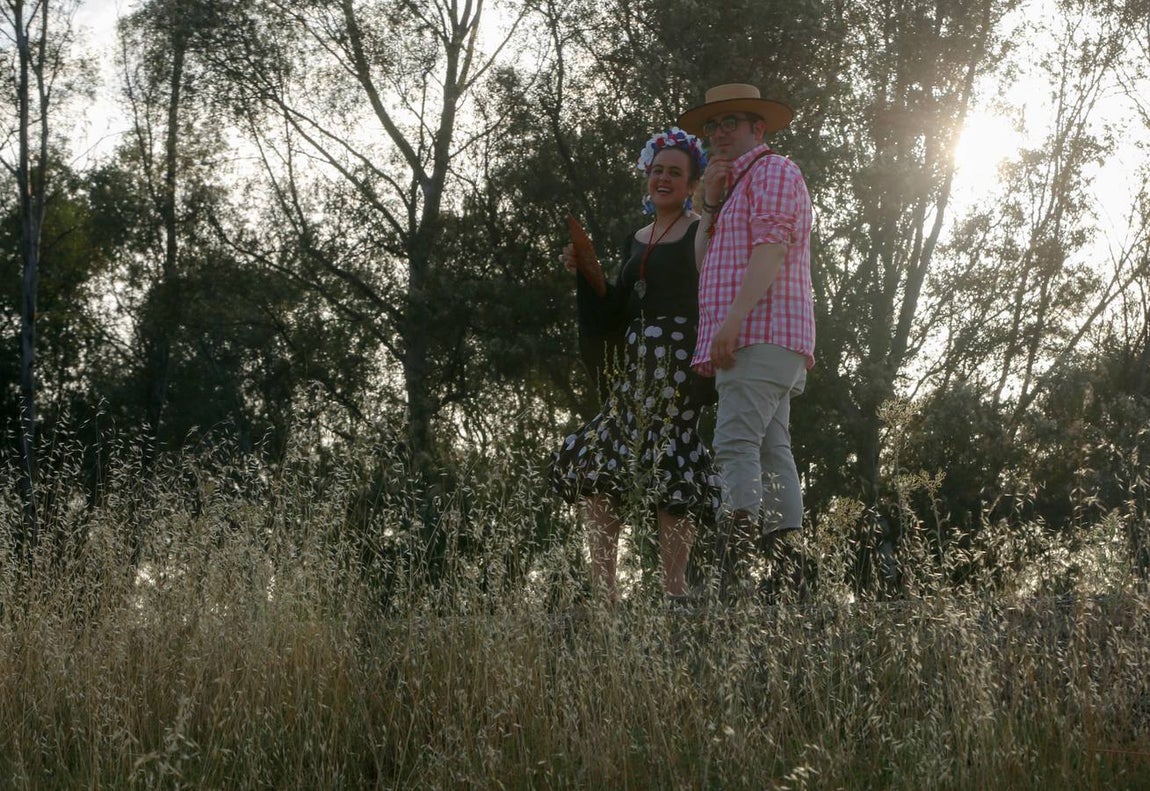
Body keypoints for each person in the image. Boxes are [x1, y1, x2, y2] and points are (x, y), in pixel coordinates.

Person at [550, 128, 721, 605]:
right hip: (633, 367)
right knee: (599, 462)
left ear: (691, 184)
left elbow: (712, 287)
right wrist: (585, 272)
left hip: (680, 362)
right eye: (657, 171)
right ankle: (606, 592)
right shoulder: (635, 238)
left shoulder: (700, 231)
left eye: (675, 173)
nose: (663, 178)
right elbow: (617, 306)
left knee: (674, 457)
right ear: (647, 176)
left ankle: (674, 589)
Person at [676, 83, 815, 600]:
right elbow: (702, 265)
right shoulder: (731, 188)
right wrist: (709, 204)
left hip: (762, 333)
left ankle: (736, 570)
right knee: (773, 449)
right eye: (712, 126)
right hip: (758, 337)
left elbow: (772, 250)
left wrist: (731, 323)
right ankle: (788, 573)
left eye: (729, 122)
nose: (717, 134)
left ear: (758, 127)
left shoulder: (775, 171)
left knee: (735, 444)